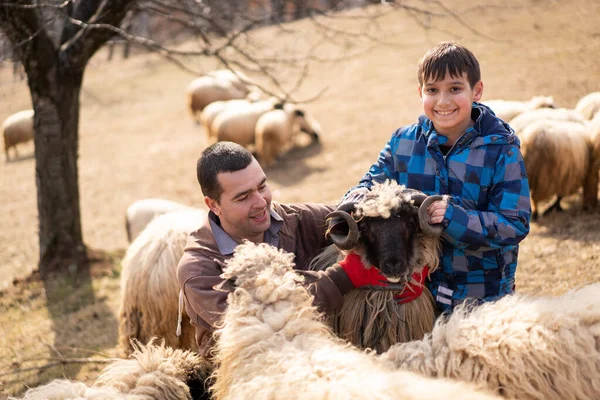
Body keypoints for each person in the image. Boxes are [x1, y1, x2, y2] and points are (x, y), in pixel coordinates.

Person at [339, 41, 531, 313]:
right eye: (432, 90)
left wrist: (453, 217)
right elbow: (368, 185)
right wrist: (352, 202)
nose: (442, 101)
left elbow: (515, 223)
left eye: (455, 89)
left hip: (483, 295)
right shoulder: (403, 143)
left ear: (476, 91)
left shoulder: (501, 150)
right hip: (419, 291)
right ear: (420, 92)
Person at [177, 141, 389, 361]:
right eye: (243, 197)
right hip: (250, 377)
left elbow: (352, 213)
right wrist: (343, 277)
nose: (261, 203)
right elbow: (261, 323)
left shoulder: (294, 219)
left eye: (262, 187)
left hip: (317, 357)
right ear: (213, 205)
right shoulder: (199, 269)